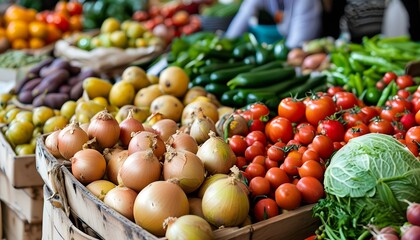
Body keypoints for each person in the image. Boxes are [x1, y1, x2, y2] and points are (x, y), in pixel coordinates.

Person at [224, 0, 323, 48]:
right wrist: (225, 45)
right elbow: (239, 23)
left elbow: (296, 44)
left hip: (296, 54)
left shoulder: (306, 2)